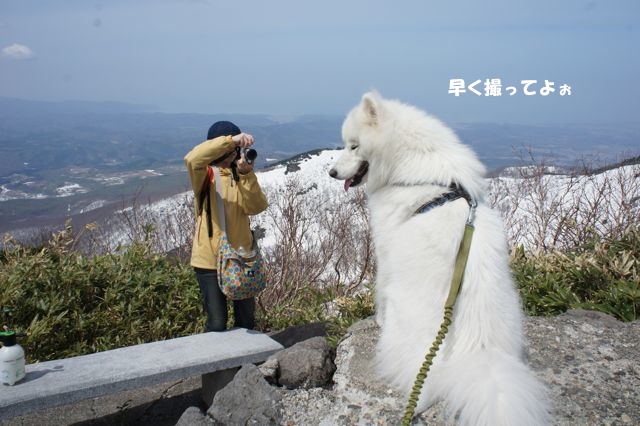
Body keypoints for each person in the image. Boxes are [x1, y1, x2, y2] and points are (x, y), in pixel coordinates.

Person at [184, 121, 268, 332]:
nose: (234, 153)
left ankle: (248, 364)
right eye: (230, 149)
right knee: (217, 323)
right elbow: (192, 158)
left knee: (246, 322)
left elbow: (257, 206)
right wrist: (231, 140)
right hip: (209, 260)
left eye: (236, 149)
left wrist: (247, 175)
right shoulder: (205, 175)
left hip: (242, 257)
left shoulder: (240, 175)